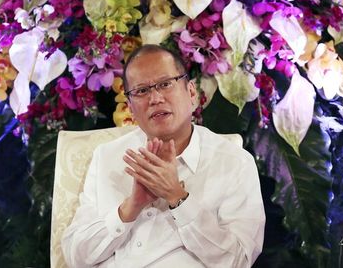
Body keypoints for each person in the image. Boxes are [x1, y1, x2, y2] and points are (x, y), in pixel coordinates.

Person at [61, 44, 265, 267]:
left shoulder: (235, 163)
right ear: (129, 107)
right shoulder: (107, 157)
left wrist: (177, 197)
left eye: (166, 84)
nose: (155, 98)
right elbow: (75, 256)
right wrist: (129, 209)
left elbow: (239, 261)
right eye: (141, 91)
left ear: (191, 92)